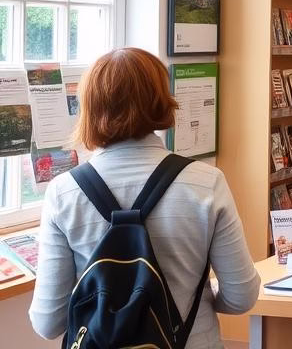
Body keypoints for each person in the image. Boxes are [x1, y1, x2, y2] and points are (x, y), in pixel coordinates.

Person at [29, 48, 260, 348]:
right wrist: (193, 299)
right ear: (161, 99)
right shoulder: (206, 183)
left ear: (89, 106)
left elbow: (48, 323)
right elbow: (242, 297)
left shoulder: (63, 192)